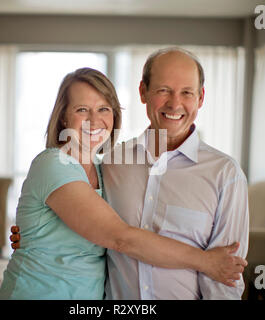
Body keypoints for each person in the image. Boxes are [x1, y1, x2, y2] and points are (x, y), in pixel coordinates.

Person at [0, 67, 247, 300]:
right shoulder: (54, 164)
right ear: (63, 117)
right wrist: (206, 261)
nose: (94, 121)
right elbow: (121, 238)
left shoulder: (108, 168)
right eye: (82, 110)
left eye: (104, 109)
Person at [102, 47, 249, 299]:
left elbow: (224, 277)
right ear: (143, 92)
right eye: (163, 90)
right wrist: (32, 236)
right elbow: (84, 231)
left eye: (186, 93)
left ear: (200, 98)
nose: (174, 103)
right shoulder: (112, 162)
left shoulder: (225, 174)